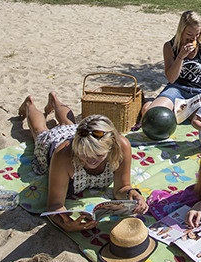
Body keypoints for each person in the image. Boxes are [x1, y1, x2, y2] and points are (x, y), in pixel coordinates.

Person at [19, 92, 149, 232]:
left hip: (80, 134)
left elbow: (121, 188)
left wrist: (132, 194)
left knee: (68, 123)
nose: (90, 160)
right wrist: (65, 224)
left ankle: (55, 100)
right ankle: (29, 105)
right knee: (40, 131)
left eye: (98, 155)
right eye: (84, 155)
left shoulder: (121, 146)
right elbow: (54, 205)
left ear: (111, 147)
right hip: (55, 142)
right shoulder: (64, 156)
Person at [142, 10, 201, 116]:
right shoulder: (169, 47)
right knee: (153, 114)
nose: (193, 38)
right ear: (181, 31)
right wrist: (180, 56)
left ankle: (180, 111)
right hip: (177, 89)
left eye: (197, 34)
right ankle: (149, 102)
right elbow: (171, 78)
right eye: (189, 34)